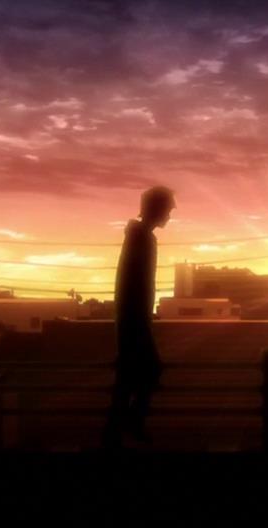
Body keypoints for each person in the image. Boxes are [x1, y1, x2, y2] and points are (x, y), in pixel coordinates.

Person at [102, 185, 175, 450]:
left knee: (128, 377)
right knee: (148, 371)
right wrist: (140, 319)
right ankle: (129, 424)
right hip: (135, 320)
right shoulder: (142, 238)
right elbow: (134, 284)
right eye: (168, 208)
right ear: (157, 209)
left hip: (132, 318)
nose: (169, 214)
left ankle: (115, 432)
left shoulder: (139, 236)